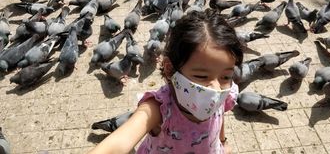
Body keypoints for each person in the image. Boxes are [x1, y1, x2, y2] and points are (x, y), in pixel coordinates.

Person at [88, 9, 244, 154]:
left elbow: (219, 114)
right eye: (202, 76)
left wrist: (222, 142)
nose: (216, 88)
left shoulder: (223, 93)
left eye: (226, 77)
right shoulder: (158, 108)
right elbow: (119, 143)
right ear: (169, 69)